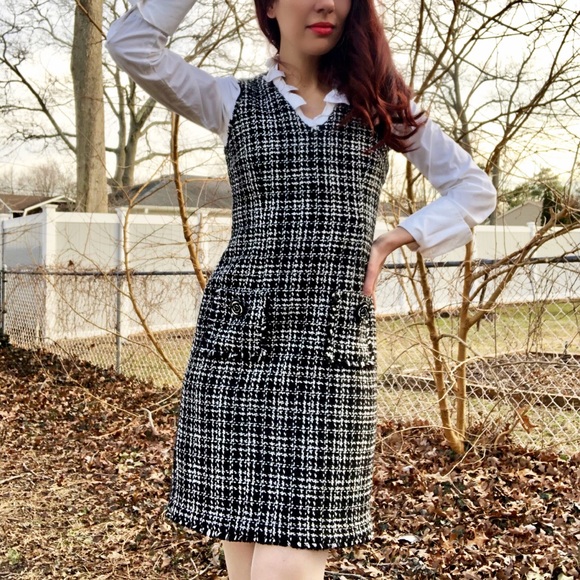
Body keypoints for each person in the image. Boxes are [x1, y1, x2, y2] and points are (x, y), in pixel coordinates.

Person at [106, 0, 496, 578]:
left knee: (285, 564)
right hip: (235, 349)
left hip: (330, 354)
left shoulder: (378, 105)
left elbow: (473, 188)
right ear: (269, 5)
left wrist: (394, 239)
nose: (325, 4)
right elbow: (131, 45)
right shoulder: (232, 100)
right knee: (243, 553)